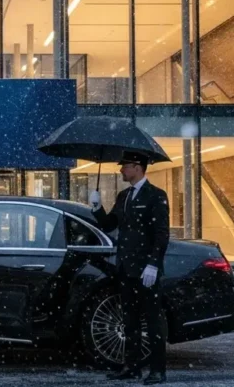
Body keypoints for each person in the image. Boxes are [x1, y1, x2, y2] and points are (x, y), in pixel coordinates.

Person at [88, 151, 170, 385]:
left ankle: (157, 370)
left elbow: (161, 234)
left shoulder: (156, 196)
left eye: (125, 166)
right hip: (125, 268)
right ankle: (131, 367)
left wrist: (153, 264)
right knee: (129, 320)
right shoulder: (124, 196)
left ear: (137, 167)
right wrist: (96, 208)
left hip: (146, 271)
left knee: (153, 321)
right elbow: (110, 224)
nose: (121, 170)